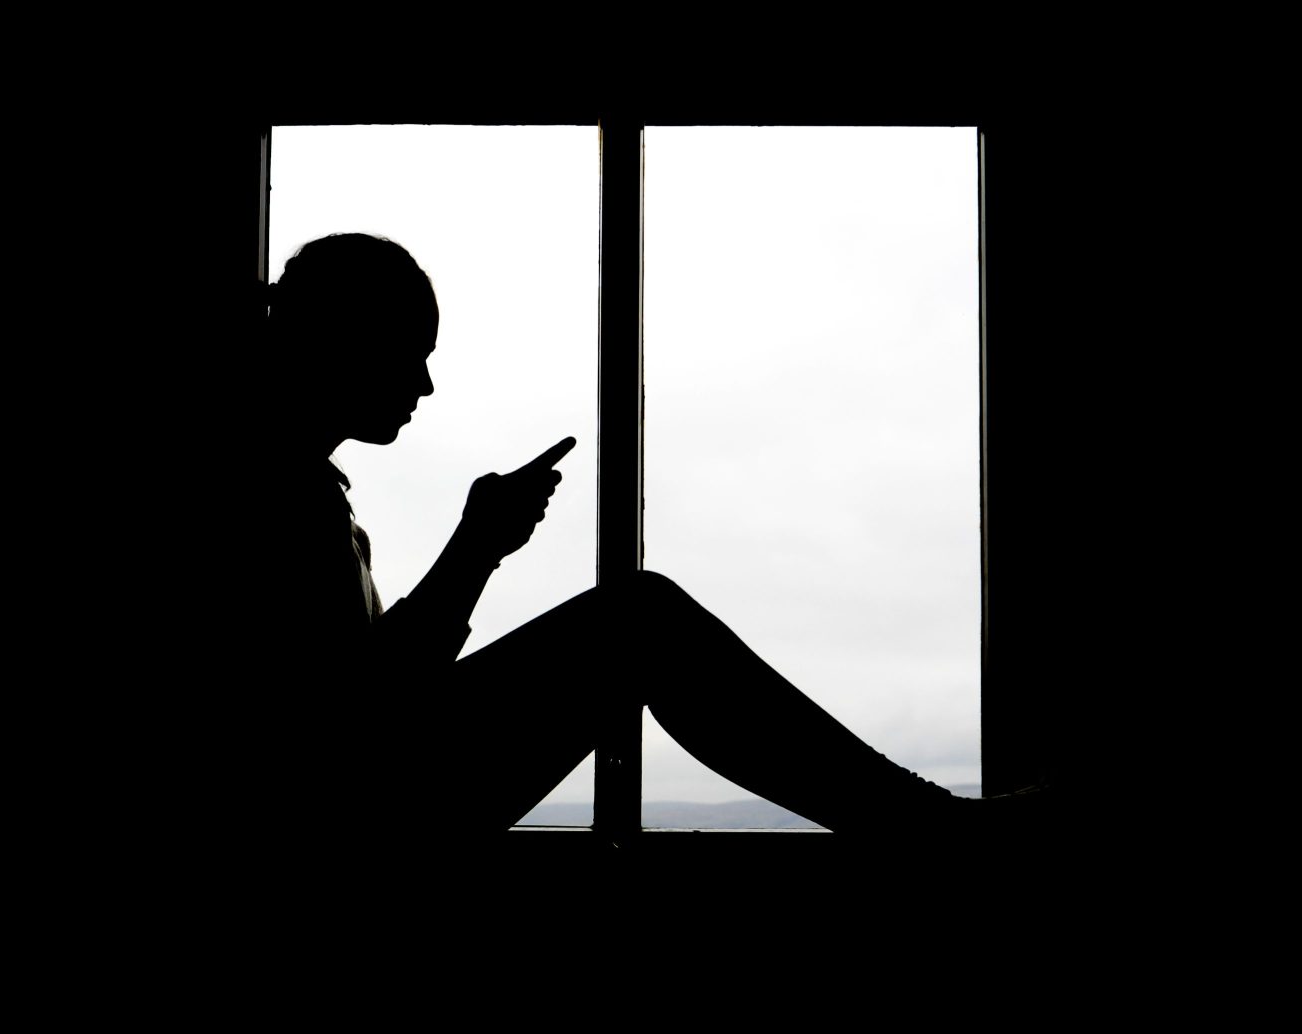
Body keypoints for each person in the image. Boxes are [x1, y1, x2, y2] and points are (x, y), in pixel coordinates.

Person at [250, 232, 1047, 840]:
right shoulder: (272, 489)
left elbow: (367, 700)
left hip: (354, 802)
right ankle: (940, 831)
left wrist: (478, 547)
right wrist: (474, 551)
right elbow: (365, 717)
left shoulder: (298, 484)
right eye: (410, 355)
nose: (424, 383)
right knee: (642, 620)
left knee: (642, 620)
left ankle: (935, 825)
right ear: (344, 339)